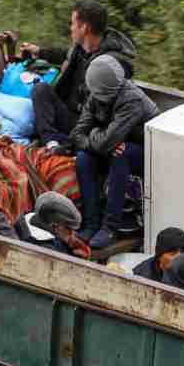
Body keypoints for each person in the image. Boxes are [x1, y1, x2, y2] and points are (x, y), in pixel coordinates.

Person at [20, 0, 138, 147]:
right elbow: (65, 54)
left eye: (73, 23)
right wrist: (39, 51)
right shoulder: (81, 49)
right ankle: (52, 142)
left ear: (84, 28)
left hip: (89, 125)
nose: (71, 28)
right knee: (41, 89)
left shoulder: (110, 64)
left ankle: (60, 143)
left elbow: (110, 109)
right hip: (68, 113)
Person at [71, 58, 158, 248]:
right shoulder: (95, 96)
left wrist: (94, 134)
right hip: (113, 145)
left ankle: (110, 227)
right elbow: (77, 134)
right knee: (84, 159)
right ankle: (91, 222)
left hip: (147, 153)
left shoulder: (131, 100)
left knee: (121, 153)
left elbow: (104, 143)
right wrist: (97, 138)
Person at [24, 192, 89, 258]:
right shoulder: (48, 248)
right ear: (55, 225)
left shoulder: (28, 222)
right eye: (69, 229)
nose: (72, 234)